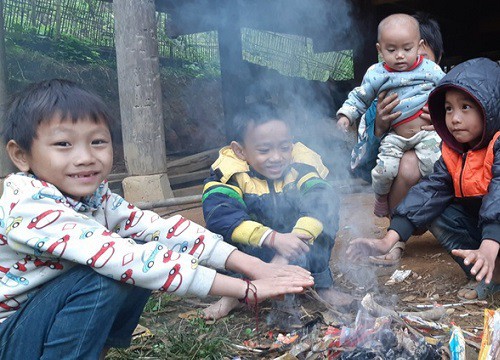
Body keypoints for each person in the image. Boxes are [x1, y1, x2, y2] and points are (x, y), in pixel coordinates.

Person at [0, 79, 314, 359]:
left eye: (98, 141)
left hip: (44, 317)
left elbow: (159, 229)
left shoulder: (96, 196)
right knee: (117, 268)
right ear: (21, 155)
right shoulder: (30, 206)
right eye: (63, 144)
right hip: (12, 337)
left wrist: (254, 266)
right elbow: (126, 258)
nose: (85, 157)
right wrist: (245, 290)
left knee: (139, 250)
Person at [347, 58, 500, 301]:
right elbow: (428, 193)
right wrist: (389, 239)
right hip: (485, 238)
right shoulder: (454, 152)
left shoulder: (497, 145)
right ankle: (490, 276)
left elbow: (498, 196)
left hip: (494, 237)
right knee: (435, 209)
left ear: (489, 108)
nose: (455, 118)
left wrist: (490, 244)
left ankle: (490, 262)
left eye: (466, 107)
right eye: (448, 109)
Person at [201, 104, 351, 323]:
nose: (277, 157)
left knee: (325, 214)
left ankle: (320, 282)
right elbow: (220, 216)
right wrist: (272, 239)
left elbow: (322, 198)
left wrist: (289, 246)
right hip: (255, 253)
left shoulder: (301, 165)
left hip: (296, 246)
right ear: (240, 150)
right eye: (264, 150)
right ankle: (236, 291)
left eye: (284, 147)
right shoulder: (229, 173)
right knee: (227, 232)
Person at [354, 12, 445, 265]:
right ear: (382, 53)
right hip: (399, 184)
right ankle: (396, 239)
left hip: (443, 190)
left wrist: (443, 122)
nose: (403, 61)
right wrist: (380, 127)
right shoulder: (380, 100)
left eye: (413, 54)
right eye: (393, 52)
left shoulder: (447, 99)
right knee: (404, 164)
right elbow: (362, 166)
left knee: (426, 161)